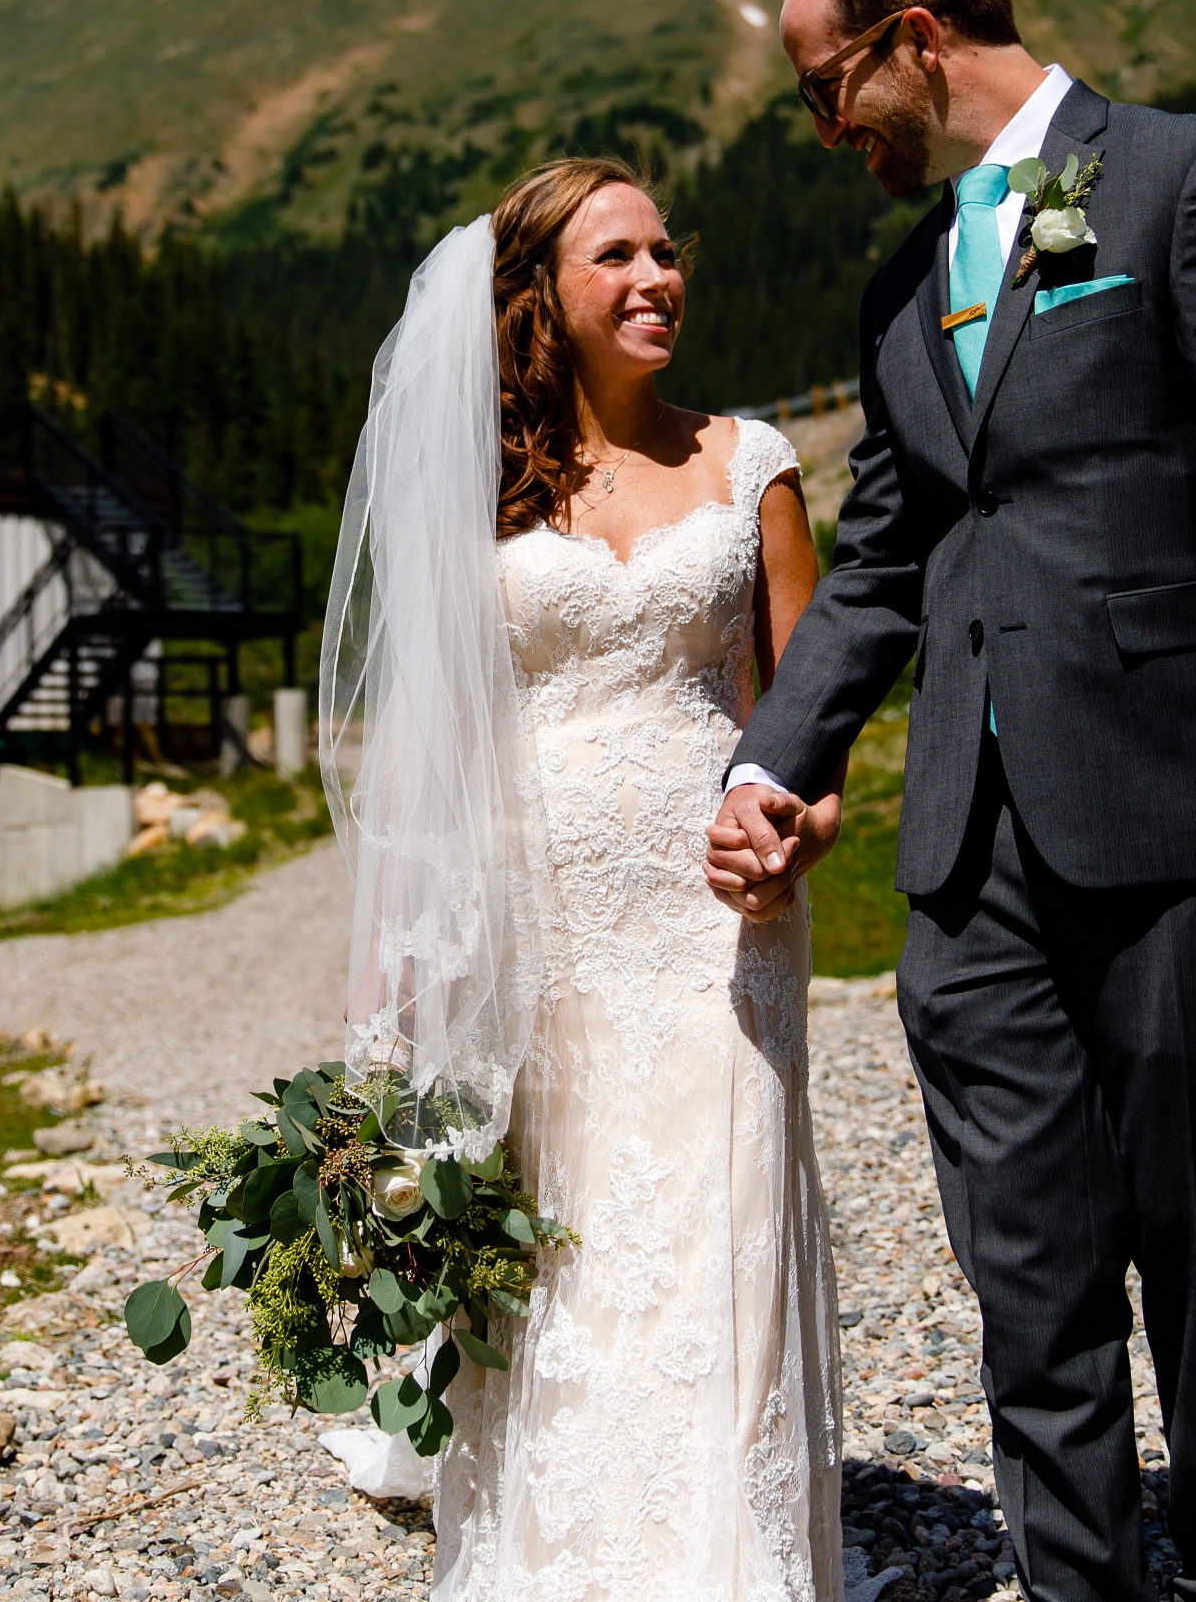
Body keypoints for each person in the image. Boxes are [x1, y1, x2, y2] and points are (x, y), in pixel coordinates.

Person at [706, 0, 1196, 1602]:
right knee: (1027, 1255)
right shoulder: (898, 288)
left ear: (916, 39)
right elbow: (883, 562)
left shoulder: (1183, 178)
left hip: (1183, 809)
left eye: (826, 88)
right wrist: (765, 765)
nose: (826, 131)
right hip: (968, 853)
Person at [320, 156, 845, 1599]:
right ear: (542, 294)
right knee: (561, 1227)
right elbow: (425, 761)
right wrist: (397, 996)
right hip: (531, 917)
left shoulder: (753, 465)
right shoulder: (477, 494)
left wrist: (801, 825)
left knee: (723, 1212)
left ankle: (731, 1561)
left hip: (714, 913)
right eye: (616, 253)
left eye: (667, 249)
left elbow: (814, 719)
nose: (657, 275)